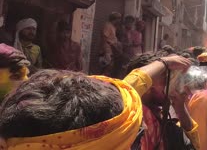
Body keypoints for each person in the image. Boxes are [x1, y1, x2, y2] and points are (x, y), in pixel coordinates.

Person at [0, 55, 192, 149]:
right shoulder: (140, 118)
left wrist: (164, 63)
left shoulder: (18, 136)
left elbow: (127, 91)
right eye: (135, 139)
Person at [126, 52, 199, 150]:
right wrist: (164, 63)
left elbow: (193, 146)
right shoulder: (132, 118)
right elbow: (125, 91)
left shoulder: (160, 118)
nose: (169, 83)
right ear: (147, 84)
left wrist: (180, 109)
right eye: (165, 78)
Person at [100, 12, 122, 77]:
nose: (120, 21)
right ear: (115, 19)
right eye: (119, 19)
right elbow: (104, 37)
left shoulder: (113, 27)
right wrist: (104, 51)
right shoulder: (107, 25)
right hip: (107, 50)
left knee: (110, 68)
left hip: (112, 51)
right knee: (106, 68)